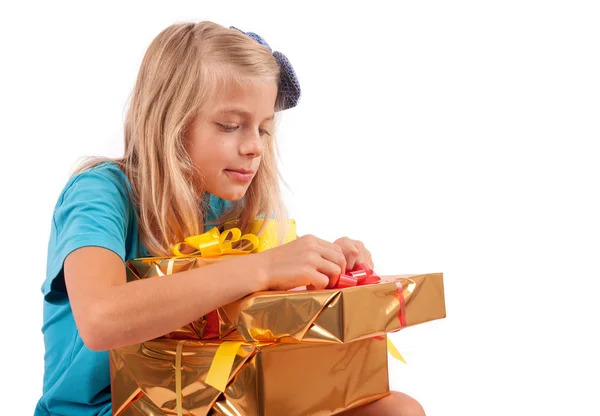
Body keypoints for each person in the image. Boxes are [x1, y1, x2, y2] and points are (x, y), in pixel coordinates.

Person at [35, 21, 425, 416]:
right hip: (109, 408)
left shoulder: (233, 207)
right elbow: (100, 319)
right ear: (169, 121)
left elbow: (259, 328)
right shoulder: (101, 194)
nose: (254, 146)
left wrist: (320, 277)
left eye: (264, 129)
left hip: (216, 399)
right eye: (230, 125)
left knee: (397, 410)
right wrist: (263, 267)